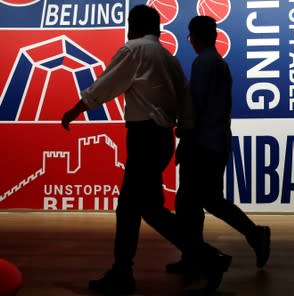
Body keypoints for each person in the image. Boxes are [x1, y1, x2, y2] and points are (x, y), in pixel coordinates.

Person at [61, 5, 195, 295]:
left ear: (133, 26)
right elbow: (186, 99)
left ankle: (127, 271)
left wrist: (74, 111)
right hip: (162, 138)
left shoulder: (133, 50)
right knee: (149, 209)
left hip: (144, 138)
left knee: (130, 209)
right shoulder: (168, 58)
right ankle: (199, 254)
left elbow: (104, 87)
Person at [171, 15, 271, 286]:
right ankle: (198, 253)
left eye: (190, 36)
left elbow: (196, 108)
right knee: (205, 201)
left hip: (203, 144)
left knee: (189, 203)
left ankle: (198, 254)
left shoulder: (203, 63)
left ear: (194, 37)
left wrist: (184, 137)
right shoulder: (218, 63)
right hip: (216, 142)